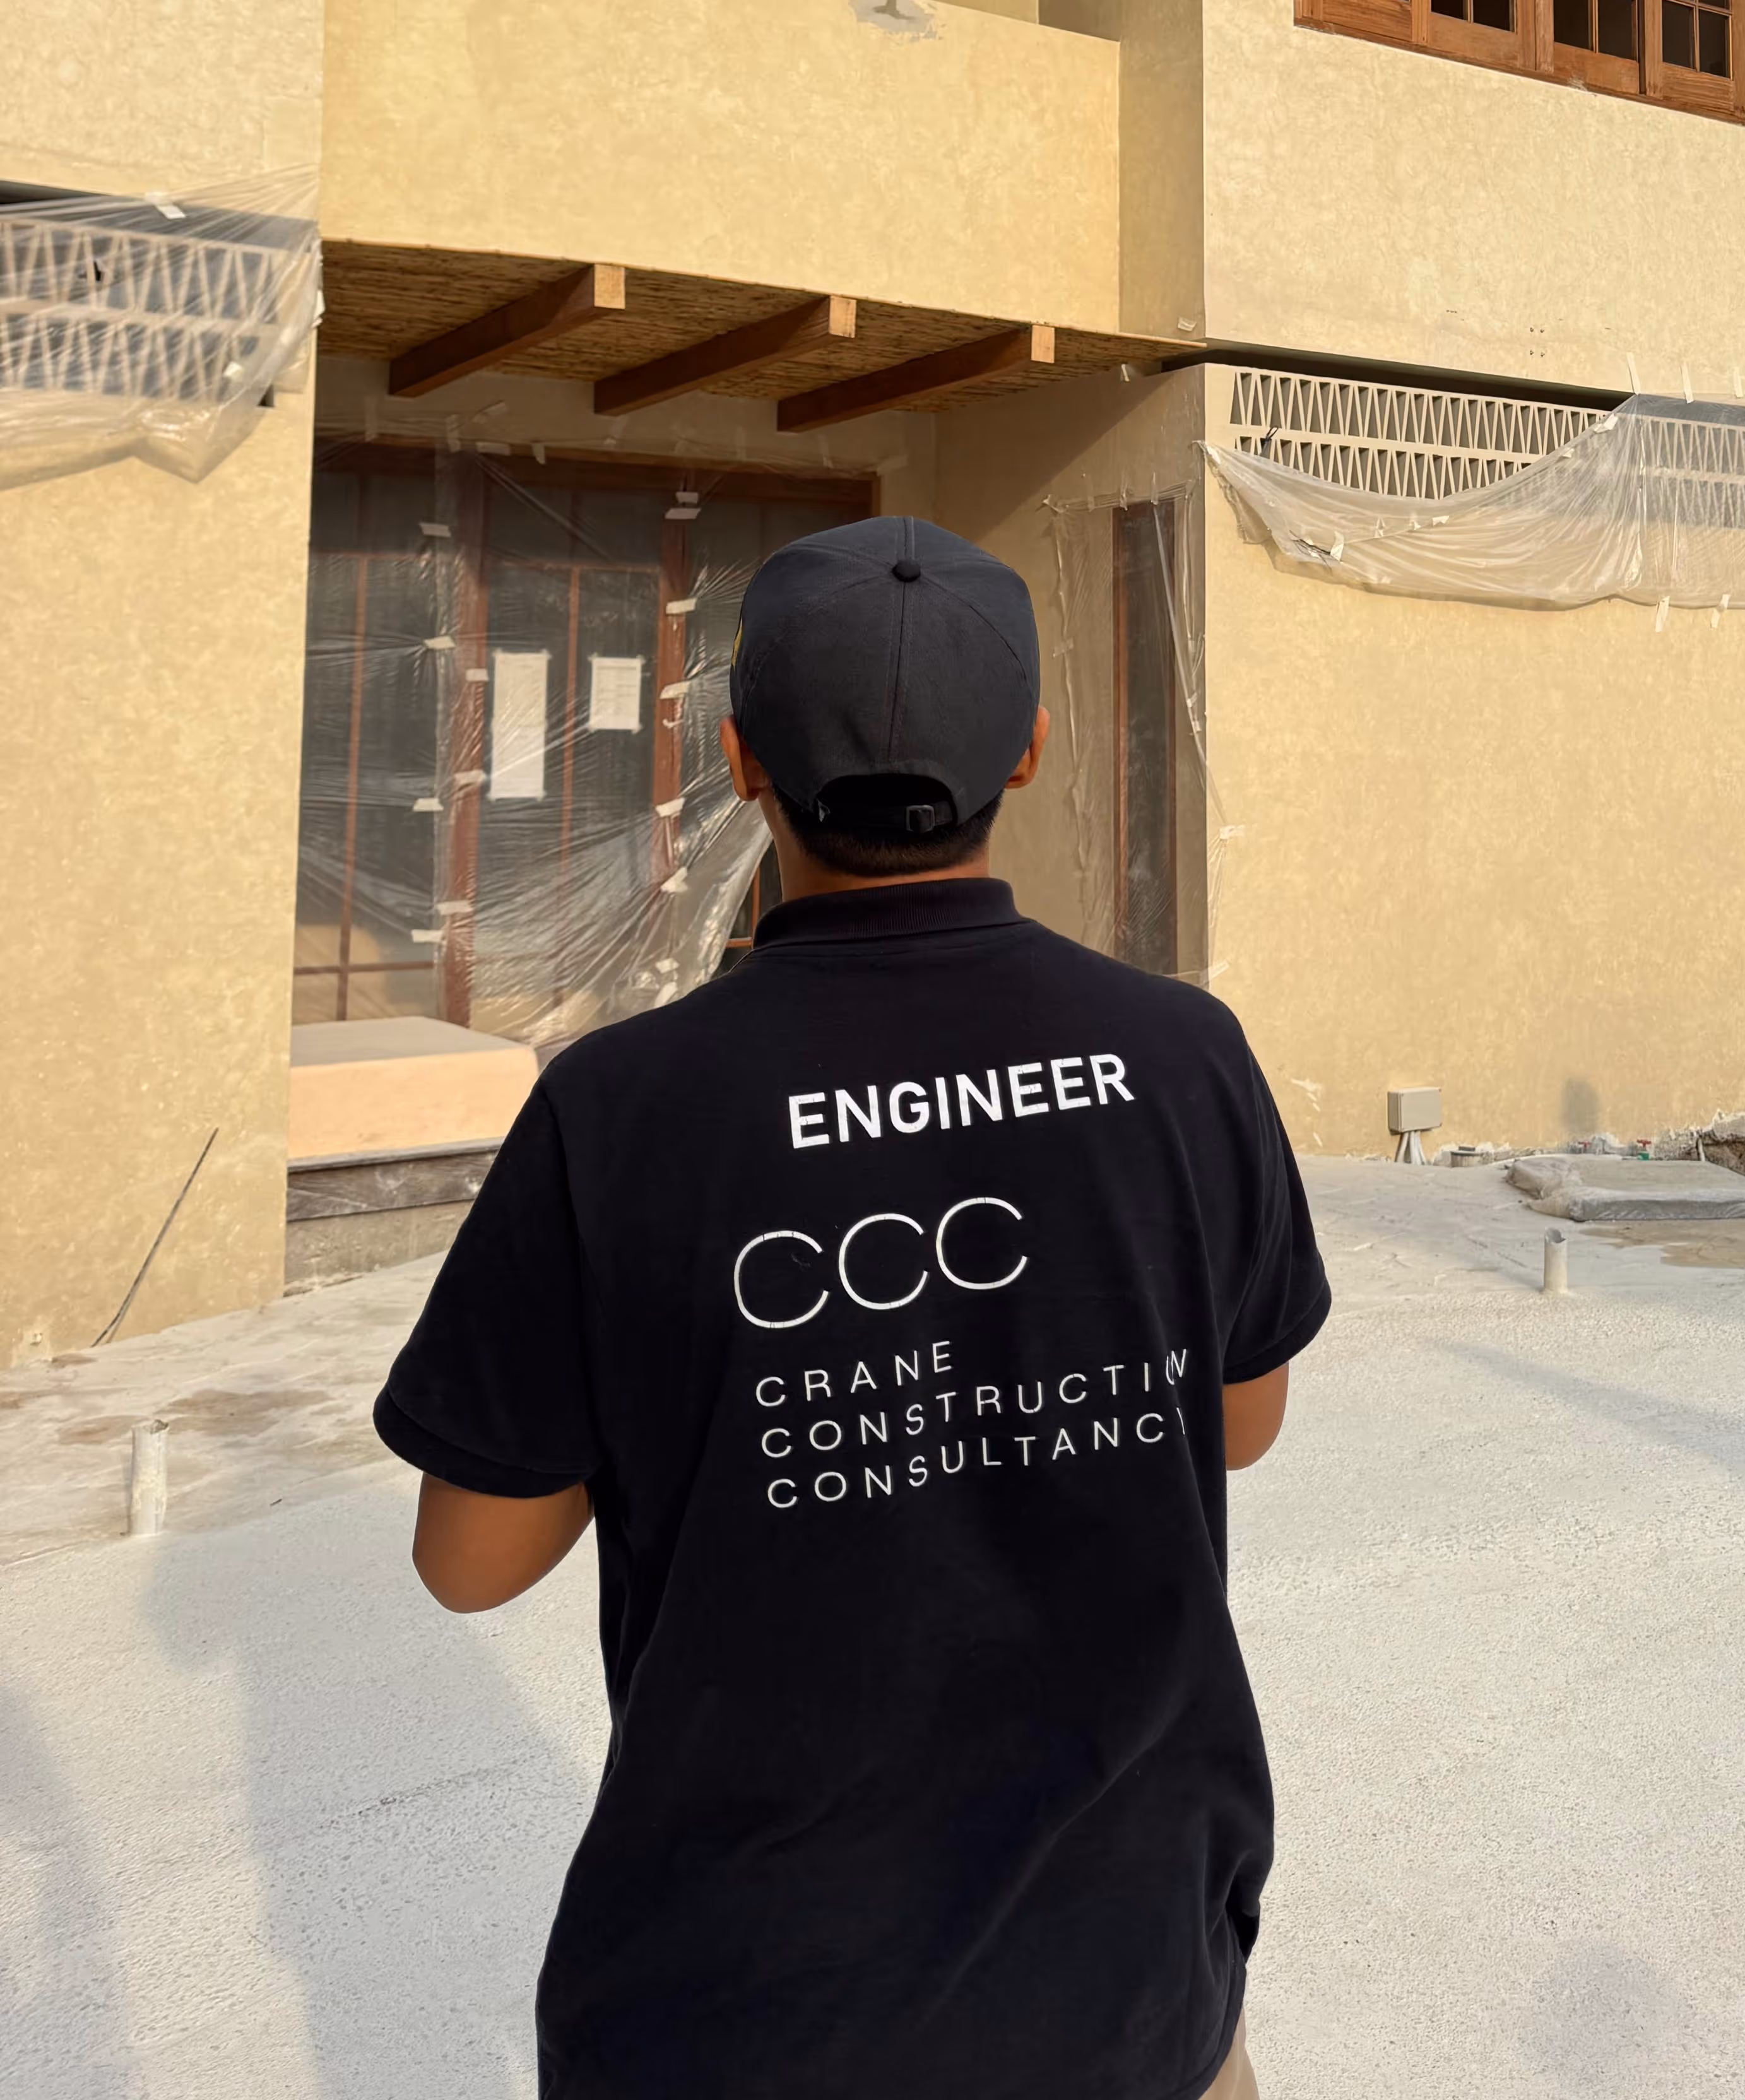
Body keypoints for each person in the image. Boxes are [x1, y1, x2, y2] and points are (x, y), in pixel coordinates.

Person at [374, 512, 1328, 2100]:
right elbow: (1243, 1421)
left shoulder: (623, 1110)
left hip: (752, 2009)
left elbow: (470, 1559)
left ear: (741, 762)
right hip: (1130, 1981)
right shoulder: (1181, 1054)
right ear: (1026, 749)